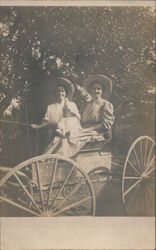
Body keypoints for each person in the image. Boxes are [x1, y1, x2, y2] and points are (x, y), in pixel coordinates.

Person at [31, 77, 82, 156]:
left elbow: (77, 118)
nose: (60, 93)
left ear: (65, 93)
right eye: (58, 91)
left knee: (63, 137)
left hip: (69, 128)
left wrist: (68, 107)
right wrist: (38, 126)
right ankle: (41, 158)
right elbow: (47, 121)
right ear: (55, 93)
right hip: (53, 130)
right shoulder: (51, 106)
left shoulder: (71, 104)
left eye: (62, 91)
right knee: (45, 135)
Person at [75, 74, 115, 140]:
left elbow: (107, 124)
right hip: (82, 130)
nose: (96, 91)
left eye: (98, 89)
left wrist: (89, 129)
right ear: (91, 90)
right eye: (94, 89)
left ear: (102, 91)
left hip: (96, 132)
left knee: (72, 139)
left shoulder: (105, 104)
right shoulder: (85, 105)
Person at [3, 95, 29, 166]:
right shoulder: (8, 112)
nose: (19, 104)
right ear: (12, 100)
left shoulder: (16, 111)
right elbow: (11, 127)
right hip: (10, 139)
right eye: (17, 102)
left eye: (20, 102)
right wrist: (18, 131)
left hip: (15, 137)